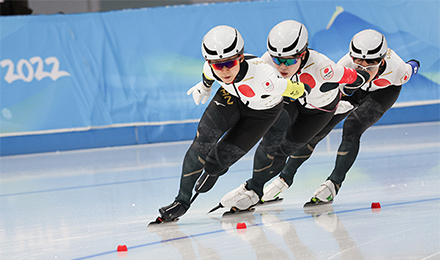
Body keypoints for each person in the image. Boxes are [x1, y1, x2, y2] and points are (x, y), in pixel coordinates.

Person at [154, 25, 308, 223]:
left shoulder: (265, 77)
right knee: (202, 143)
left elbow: (298, 89)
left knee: (217, 161)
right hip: (231, 98)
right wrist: (205, 86)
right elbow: (208, 73)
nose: (225, 70)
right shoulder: (211, 67)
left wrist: (300, 91)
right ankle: (181, 201)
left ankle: (214, 170)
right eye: (218, 65)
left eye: (230, 63)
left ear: (241, 58)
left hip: (262, 113)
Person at [219, 20, 369, 212]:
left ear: (303, 54)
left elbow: (358, 78)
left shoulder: (323, 67)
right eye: (277, 59)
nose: (282, 66)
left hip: (319, 110)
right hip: (293, 98)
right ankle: (254, 188)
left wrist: (349, 92)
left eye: (289, 60)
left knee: (286, 149)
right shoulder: (265, 62)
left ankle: (263, 184)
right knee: (272, 138)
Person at [262, 29, 420, 207]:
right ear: (352, 57)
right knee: (318, 129)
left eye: (371, 64)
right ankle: (284, 178)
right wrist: (343, 97)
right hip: (351, 87)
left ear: (382, 60)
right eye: (358, 62)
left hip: (383, 92)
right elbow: (336, 92)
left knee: (353, 126)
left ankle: (333, 184)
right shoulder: (344, 64)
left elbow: (413, 66)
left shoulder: (399, 70)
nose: (364, 68)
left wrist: (413, 63)